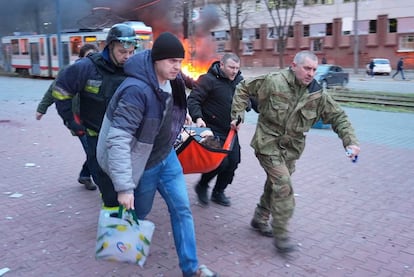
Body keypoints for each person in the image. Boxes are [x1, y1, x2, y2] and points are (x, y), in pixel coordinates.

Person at [96, 32, 218, 277]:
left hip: (166, 156)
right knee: (137, 212)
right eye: (171, 61)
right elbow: (117, 140)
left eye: (179, 61)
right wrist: (124, 187)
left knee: (182, 209)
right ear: (156, 60)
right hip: (144, 162)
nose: (177, 66)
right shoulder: (135, 90)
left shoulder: (172, 80)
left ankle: (191, 269)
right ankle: (119, 240)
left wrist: (180, 116)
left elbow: (169, 105)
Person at [230, 50, 360, 253]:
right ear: (294, 66)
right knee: (283, 185)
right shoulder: (274, 81)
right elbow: (243, 87)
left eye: (314, 69)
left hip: (291, 150)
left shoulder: (317, 94)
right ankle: (281, 235)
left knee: (274, 184)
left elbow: (338, 117)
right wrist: (238, 114)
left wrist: (350, 141)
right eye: (307, 68)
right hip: (268, 143)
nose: (311, 73)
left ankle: (260, 217)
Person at [52, 23, 136, 201]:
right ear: (110, 46)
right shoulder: (86, 68)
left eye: (131, 52)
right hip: (96, 137)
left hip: (126, 137)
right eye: (122, 52)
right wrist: (71, 122)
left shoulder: (136, 68)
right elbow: (60, 91)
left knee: (126, 183)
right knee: (106, 185)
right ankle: (111, 213)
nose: (127, 57)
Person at [36, 43, 99, 191]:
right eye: (88, 55)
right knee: (93, 152)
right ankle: (103, 187)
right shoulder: (71, 71)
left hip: (95, 120)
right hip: (77, 120)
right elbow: (53, 89)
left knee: (95, 151)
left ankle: (84, 175)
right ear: (81, 57)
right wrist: (42, 109)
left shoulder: (100, 72)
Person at [187, 53, 243, 207]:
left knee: (233, 162)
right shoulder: (208, 80)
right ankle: (202, 185)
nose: (234, 71)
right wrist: (198, 118)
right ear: (222, 65)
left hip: (231, 131)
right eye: (231, 67)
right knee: (220, 162)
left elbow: (248, 101)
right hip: (211, 129)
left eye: (237, 68)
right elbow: (193, 100)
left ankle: (219, 192)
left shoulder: (240, 81)